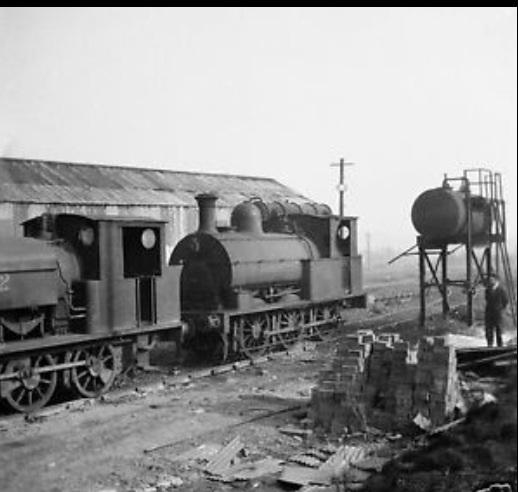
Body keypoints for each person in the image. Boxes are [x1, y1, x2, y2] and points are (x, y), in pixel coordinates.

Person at [485, 275, 509, 347]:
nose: (490, 281)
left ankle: (500, 345)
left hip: (498, 312)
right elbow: (487, 300)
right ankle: (490, 344)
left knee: (498, 328)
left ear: (495, 280)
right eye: (489, 280)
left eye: (491, 280)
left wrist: (501, 308)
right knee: (489, 329)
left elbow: (505, 300)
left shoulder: (501, 290)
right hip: (489, 312)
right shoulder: (488, 290)